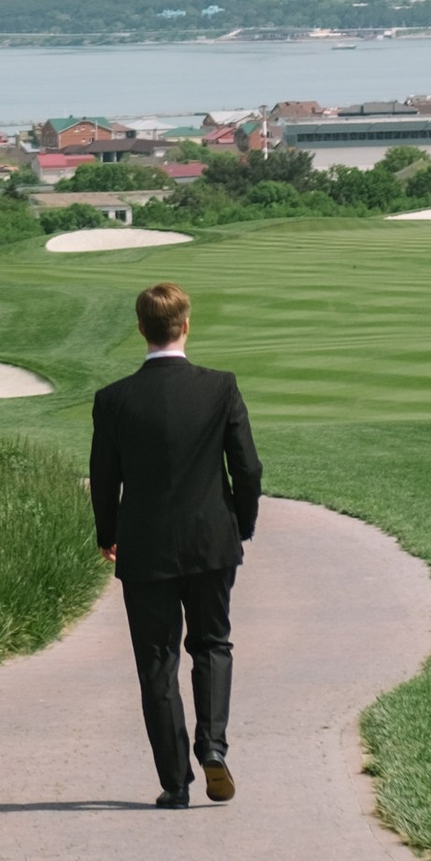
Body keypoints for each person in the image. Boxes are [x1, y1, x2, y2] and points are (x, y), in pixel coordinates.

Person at [88, 280, 261, 809]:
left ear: (141, 328)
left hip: (145, 548)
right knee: (212, 645)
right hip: (212, 540)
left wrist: (108, 534)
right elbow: (247, 467)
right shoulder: (220, 387)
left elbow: (103, 476)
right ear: (186, 325)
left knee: (157, 661)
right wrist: (243, 524)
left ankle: (175, 781)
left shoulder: (113, 399)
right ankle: (213, 746)